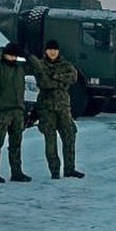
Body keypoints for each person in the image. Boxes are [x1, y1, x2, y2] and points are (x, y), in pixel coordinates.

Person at [34, 39, 83, 179]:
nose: (52, 52)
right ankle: (54, 171)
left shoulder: (66, 64)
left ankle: (70, 169)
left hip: (63, 108)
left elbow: (73, 77)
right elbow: (43, 82)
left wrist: (55, 76)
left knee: (69, 137)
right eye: (50, 49)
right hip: (46, 108)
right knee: (50, 141)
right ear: (46, 51)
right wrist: (60, 80)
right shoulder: (40, 65)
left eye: (54, 49)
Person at [0, 43, 37, 183]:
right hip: (2, 111)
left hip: (18, 111)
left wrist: (27, 55)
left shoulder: (20, 69)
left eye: (14, 55)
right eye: (10, 54)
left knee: (16, 143)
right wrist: (2, 49)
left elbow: (38, 67)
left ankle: (16, 172)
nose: (12, 57)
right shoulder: (0, 67)